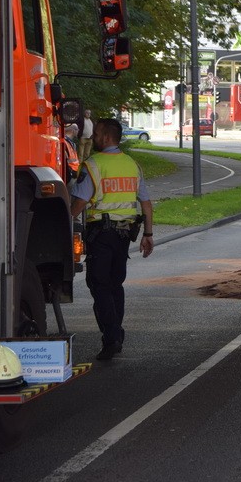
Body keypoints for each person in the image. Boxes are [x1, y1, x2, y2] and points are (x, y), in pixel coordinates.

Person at [70, 118, 154, 361]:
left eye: (96, 133)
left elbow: (80, 202)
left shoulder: (93, 165)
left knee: (99, 284)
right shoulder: (132, 165)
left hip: (101, 234)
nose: (93, 137)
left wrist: (62, 223)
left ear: (106, 137)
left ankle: (112, 337)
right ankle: (115, 334)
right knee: (115, 284)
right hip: (125, 235)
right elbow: (146, 203)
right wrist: (148, 235)